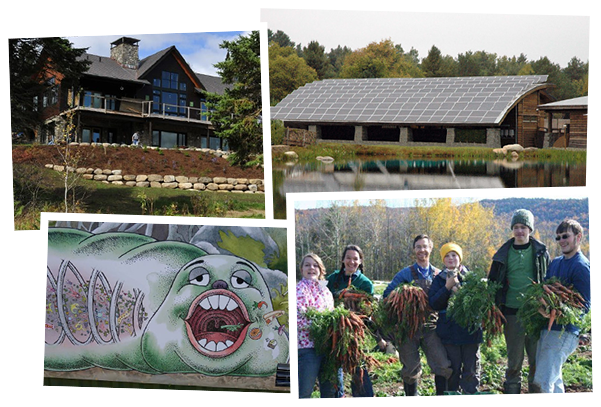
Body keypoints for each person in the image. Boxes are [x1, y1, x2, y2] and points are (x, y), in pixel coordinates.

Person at [488, 209, 550, 394]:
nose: (519, 231)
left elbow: (549, 280)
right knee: (514, 361)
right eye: (516, 227)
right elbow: (493, 283)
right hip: (511, 313)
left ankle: (535, 394)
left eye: (523, 227)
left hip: (535, 314)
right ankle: (512, 394)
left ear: (530, 229)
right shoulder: (502, 254)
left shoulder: (540, 252)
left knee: (536, 360)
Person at [383, 234, 452, 396]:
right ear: (414, 250)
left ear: (431, 248)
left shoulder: (439, 275)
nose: (422, 250)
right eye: (418, 247)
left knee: (442, 365)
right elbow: (386, 295)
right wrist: (404, 294)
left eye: (425, 246)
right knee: (410, 369)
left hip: (431, 328)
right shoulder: (404, 274)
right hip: (408, 329)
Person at [533, 220, 590, 393]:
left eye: (565, 236)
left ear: (578, 237)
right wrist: (541, 305)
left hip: (565, 331)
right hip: (549, 327)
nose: (561, 240)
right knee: (554, 380)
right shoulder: (556, 262)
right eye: (558, 237)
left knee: (543, 381)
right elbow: (544, 289)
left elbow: (585, 304)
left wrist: (558, 312)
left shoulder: (581, 266)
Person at [429, 243, 483, 394]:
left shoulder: (471, 277)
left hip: (470, 332)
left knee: (471, 371)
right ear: (443, 260)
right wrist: (447, 287)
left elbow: (478, 303)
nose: (451, 258)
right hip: (449, 333)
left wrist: (459, 290)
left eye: (454, 255)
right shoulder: (439, 279)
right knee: (453, 370)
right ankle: (452, 396)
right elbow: (434, 303)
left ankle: (470, 395)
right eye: (447, 255)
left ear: (460, 258)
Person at [326, 245, 374, 397]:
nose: (351, 261)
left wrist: (357, 308)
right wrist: (338, 298)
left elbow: (369, 311)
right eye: (348, 258)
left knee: (358, 367)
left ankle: (363, 397)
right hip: (333, 330)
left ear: (360, 261)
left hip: (355, 332)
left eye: (355, 258)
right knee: (333, 368)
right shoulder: (332, 279)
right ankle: (337, 396)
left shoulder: (365, 283)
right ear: (342, 259)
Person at [297, 253, 336, 398]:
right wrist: (325, 326)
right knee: (304, 392)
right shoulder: (299, 289)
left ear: (320, 269)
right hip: (307, 348)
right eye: (307, 265)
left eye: (315, 265)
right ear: (301, 269)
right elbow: (299, 320)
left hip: (327, 347)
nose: (311, 268)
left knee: (329, 392)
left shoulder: (325, 291)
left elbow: (331, 314)